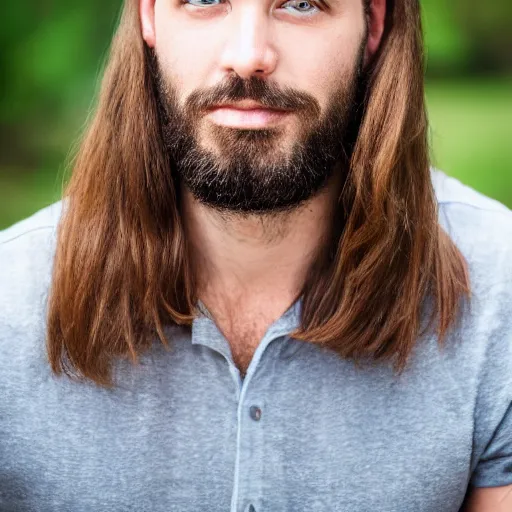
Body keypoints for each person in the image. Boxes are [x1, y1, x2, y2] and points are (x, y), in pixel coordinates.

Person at [0, 0, 510, 510]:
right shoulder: (9, 306)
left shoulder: (497, 296)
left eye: (301, 4)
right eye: (203, 0)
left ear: (374, 23)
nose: (248, 56)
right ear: (149, 14)